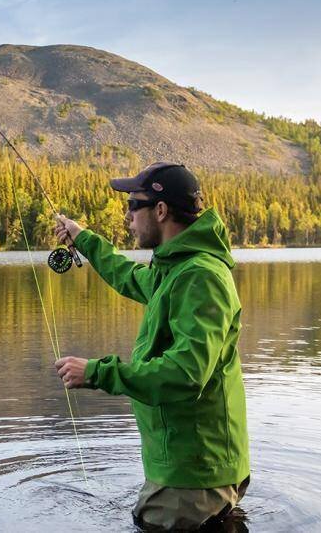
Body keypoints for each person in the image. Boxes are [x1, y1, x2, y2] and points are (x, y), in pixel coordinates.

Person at [53, 162, 250, 531]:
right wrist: (84, 239)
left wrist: (97, 372)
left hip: (194, 472)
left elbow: (186, 373)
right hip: (188, 464)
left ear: (160, 211)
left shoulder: (201, 276)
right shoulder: (175, 269)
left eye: (132, 205)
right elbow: (129, 276)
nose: (127, 216)